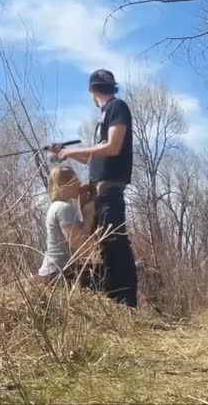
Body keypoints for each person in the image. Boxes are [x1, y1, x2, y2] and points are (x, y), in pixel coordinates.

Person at [49, 69, 138, 307]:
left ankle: (127, 302)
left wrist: (74, 151)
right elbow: (92, 157)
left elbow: (113, 147)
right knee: (105, 244)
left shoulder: (117, 107)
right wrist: (65, 153)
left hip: (111, 187)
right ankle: (114, 299)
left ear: (91, 91)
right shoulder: (104, 116)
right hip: (100, 190)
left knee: (115, 241)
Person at [37, 165, 101, 288]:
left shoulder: (57, 206)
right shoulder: (63, 208)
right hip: (57, 274)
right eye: (75, 180)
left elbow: (80, 232)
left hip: (54, 272)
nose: (79, 183)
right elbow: (82, 247)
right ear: (63, 185)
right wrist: (89, 215)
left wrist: (82, 203)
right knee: (108, 275)